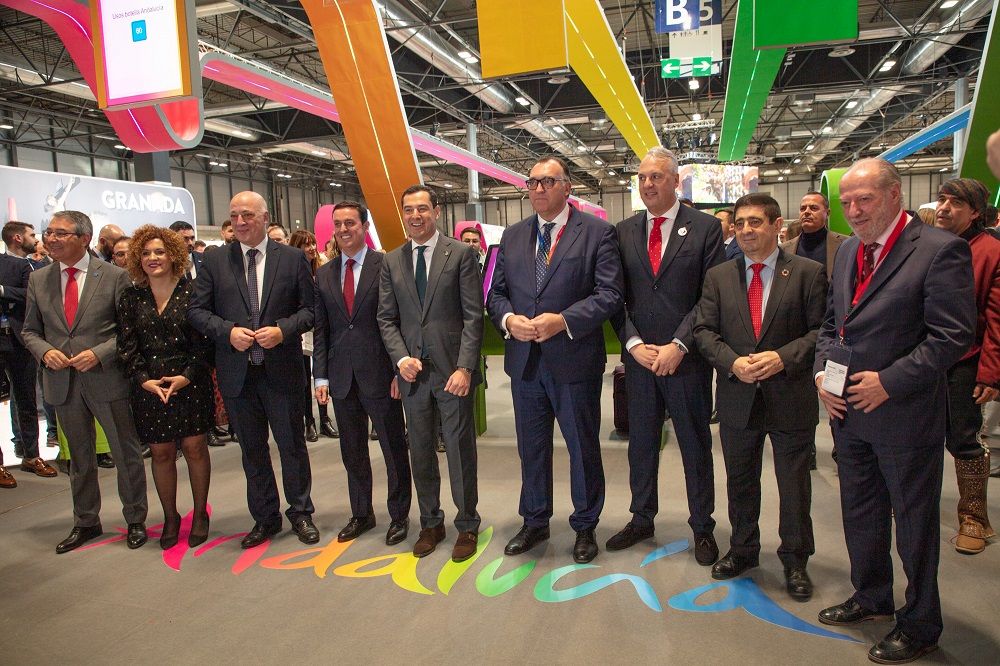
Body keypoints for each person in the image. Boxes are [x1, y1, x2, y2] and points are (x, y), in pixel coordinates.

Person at [814, 159, 975, 664]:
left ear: (895, 196)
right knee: (860, 513)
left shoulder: (938, 251)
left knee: (914, 522)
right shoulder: (846, 255)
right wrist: (822, 375)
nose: (855, 211)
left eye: (865, 200)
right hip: (847, 412)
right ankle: (871, 595)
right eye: (848, 202)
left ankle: (921, 622)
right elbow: (831, 325)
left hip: (904, 415)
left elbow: (952, 336)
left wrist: (890, 381)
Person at [487, 156, 624, 564]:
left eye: (548, 181)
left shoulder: (598, 233)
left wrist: (563, 320)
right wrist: (509, 319)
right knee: (531, 448)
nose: (539, 189)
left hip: (574, 360)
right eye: (532, 182)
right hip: (524, 363)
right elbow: (495, 293)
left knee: (582, 447)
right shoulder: (512, 237)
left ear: (567, 187)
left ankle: (585, 526)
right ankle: (534, 520)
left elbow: (609, 294)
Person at [693, 193, 826, 601]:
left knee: (793, 486)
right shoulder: (719, 275)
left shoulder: (808, 272)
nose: (746, 230)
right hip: (737, 396)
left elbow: (822, 332)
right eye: (740, 223)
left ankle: (795, 560)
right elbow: (703, 332)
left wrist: (783, 358)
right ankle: (743, 549)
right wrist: (732, 363)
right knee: (741, 481)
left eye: (755, 222)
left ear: (776, 226)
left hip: (790, 396)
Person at [606, 147, 722, 565]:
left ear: (676, 181)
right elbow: (615, 297)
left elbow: (711, 297)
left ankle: (703, 527)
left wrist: (679, 344)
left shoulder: (706, 229)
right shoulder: (622, 231)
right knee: (640, 444)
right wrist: (634, 345)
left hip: (685, 361)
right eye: (642, 177)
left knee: (695, 444)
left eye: (657, 176)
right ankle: (641, 518)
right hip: (639, 362)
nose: (648, 184)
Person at [189, 191, 320, 549]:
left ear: (265, 218)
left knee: (292, 445)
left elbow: (310, 311)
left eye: (247, 215)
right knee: (252, 450)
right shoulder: (215, 260)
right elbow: (197, 312)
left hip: (282, 371)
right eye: (234, 216)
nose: (240, 222)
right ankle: (265, 517)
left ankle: (301, 512)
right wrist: (227, 332)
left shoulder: (292, 259)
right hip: (238, 375)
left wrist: (283, 330)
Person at [21, 211, 148, 553]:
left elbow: (130, 332)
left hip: (106, 379)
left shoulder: (114, 277)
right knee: (79, 458)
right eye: (48, 233)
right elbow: (30, 330)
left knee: (125, 452)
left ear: (84, 238)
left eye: (60, 233)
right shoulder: (39, 279)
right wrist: (45, 352)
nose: (51, 239)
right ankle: (86, 521)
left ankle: (136, 518)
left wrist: (100, 353)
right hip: (62, 381)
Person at [377, 184, 483, 562]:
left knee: (458, 452)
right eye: (409, 210)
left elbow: (473, 316)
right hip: (413, 376)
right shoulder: (391, 261)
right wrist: (400, 358)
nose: (415, 216)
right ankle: (430, 523)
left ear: (436, 211)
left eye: (423, 208)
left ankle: (467, 524)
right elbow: (386, 318)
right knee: (420, 452)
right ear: (402, 214)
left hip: (453, 374)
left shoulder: (461, 254)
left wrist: (466, 367)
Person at [316, 201, 412, 545]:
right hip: (342, 379)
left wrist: (398, 370)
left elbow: (397, 320)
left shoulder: (384, 265)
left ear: (364, 226)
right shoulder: (324, 273)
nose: (343, 230)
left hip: (381, 374)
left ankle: (399, 516)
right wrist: (320, 376)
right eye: (337, 224)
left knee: (393, 448)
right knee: (352, 450)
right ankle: (361, 513)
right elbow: (322, 329)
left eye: (350, 223)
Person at [117, 226, 213, 549]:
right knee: (161, 453)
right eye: (145, 253)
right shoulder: (131, 297)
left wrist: (187, 375)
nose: (153, 258)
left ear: (173, 254)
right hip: (150, 388)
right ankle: (171, 517)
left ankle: (200, 514)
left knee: (195, 449)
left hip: (190, 383)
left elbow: (205, 343)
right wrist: (143, 379)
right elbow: (127, 346)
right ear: (137, 259)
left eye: (159, 252)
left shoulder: (195, 292)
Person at [932, 178, 998, 555]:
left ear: (974, 212)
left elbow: (996, 319)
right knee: (913, 437)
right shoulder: (923, 244)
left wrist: (991, 373)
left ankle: (973, 516)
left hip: (966, 362)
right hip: (920, 361)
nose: (943, 208)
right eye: (941, 199)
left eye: (955, 202)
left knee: (963, 438)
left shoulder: (991, 251)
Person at [1, 222, 57, 480]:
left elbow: (30, 295)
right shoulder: (10, 263)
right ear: (16, 237)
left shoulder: (29, 266)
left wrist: (3, 291)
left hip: (20, 340)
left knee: (26, 399)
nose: (36, 239)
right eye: (31, 234)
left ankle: (31, 456)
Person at [289, 229, 338, 441]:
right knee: (303, 380)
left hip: (320, 330)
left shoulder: (322, 268)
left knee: (321, 375)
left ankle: (324, 418)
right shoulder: (291, 271)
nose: (310, 248)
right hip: (300, 333)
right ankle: (308, 421)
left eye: (312, 243)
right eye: (305, 244)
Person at [781, 192, 849, 281]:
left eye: (814, 208)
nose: (807, 212)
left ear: (827, 213)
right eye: (802, 208)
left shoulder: (846, 244)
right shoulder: (783, 249)